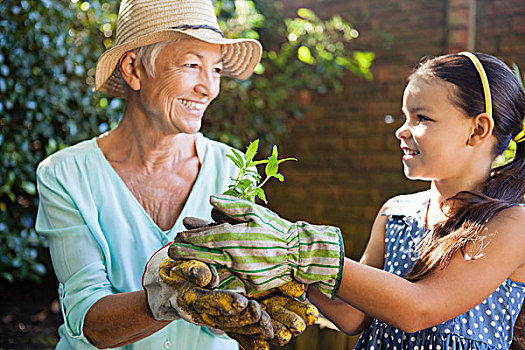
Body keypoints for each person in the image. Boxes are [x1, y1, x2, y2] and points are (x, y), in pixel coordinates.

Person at [169, 52, 525, 349]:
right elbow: (354, 315)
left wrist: (299, 248)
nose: (402, 130)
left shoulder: (511, 226)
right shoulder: (397, 213)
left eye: (422, 118)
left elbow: (419, 309)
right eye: (404, 116)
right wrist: (277, 259)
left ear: (478, 129)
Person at [34, 0, 284, 349]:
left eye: (215, 70)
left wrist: (254, 295)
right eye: (193, 64)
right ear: (134, 69)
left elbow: (230, 314)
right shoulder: (65, 175)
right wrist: (175, 299)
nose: (209, 88)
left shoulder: (234, 170)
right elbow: (89, 320)